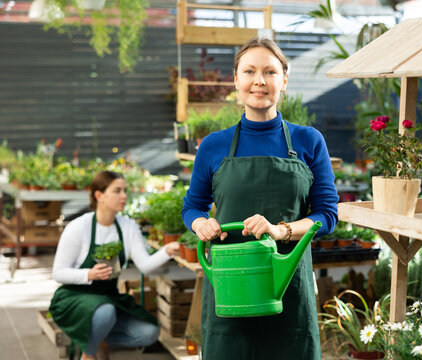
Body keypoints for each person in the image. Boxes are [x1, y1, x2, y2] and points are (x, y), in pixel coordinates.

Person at [182, 37, 339, 360]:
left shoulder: (309, 141)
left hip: (287, 284)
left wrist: (281, 230)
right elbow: (192, 206)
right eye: (249, 71)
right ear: (236, 80)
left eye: (269, 72)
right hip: (229, 284)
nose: (259, 81)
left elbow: (327, 214)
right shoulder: (213, 145)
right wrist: (201, 224)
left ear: (284, 80)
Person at [50, 171, 180, 360]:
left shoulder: (128, 227)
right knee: (105, 312)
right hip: (75, 297)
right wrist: (89, 274)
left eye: (124, 190)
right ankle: (89, 355)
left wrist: (166, 251)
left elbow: (144, 265)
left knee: (149, 332)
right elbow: (58, 273)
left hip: (109, 297)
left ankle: (97, 338)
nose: (124, 196)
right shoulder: (79, 227)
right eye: (117, 191)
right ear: (99, 195)